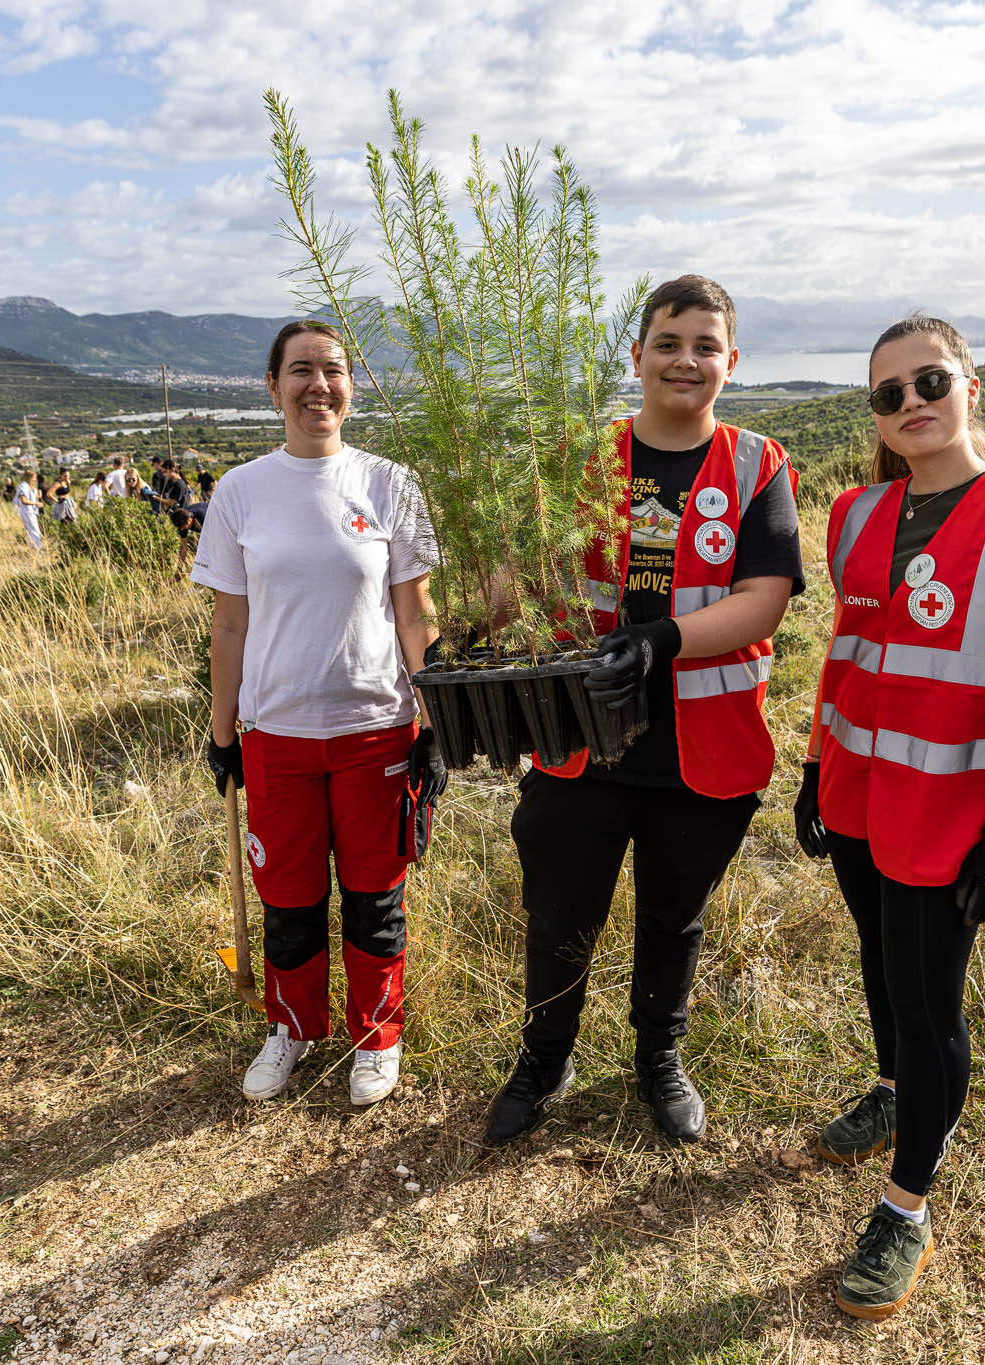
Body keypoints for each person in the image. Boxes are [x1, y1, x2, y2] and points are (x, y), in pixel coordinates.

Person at [796, 314, 985, 1320]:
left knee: (929, 1006)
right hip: (859, 790)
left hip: (950, 809)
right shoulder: (855, 514)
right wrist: (811, 767)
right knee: (879, 970)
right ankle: (891, 1094)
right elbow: (849, 654)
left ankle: (905, 1205)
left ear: (969, 385)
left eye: (927, 382)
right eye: (887, 394)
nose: (909, 404)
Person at [485, 275, 802, 1149]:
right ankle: (544, 1061)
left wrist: (660, 640)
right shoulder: (581, 460)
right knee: (558, 915)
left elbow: (765, 598)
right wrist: (470, 620)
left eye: (706, 346)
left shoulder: (756, 464)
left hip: (703, 752)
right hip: (580, 743)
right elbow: (527, 578)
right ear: (637, 356)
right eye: (669, 343)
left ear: (730, 362)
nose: (686, 360)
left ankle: (659, 1060)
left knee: (675, 917)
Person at [191, 319, 443, 1107]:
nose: (317, 385)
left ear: (351, 386)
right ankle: (293, 1027)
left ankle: (378, 1036)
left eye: (332, 370)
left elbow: (415, 614)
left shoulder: (392, 483)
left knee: (375, 899)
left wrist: (434, 723)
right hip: (278, 738)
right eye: (300, 370)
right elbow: (229, 625)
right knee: (289, 902)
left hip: (377, 731)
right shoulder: (239, 492)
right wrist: (222, 731)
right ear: (273, 387)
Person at [13, 468, 44, 549]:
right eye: (34, 477)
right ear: (30, 478)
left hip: (31, 512)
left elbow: (33, 497)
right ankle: (39, 549)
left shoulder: (29, 487)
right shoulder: (23, 487)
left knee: (31, 531)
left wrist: (38, 495)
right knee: (35, 531)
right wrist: (36, 503)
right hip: (27, 512)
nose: (35, 479)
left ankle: (33, 548)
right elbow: (24, 500)